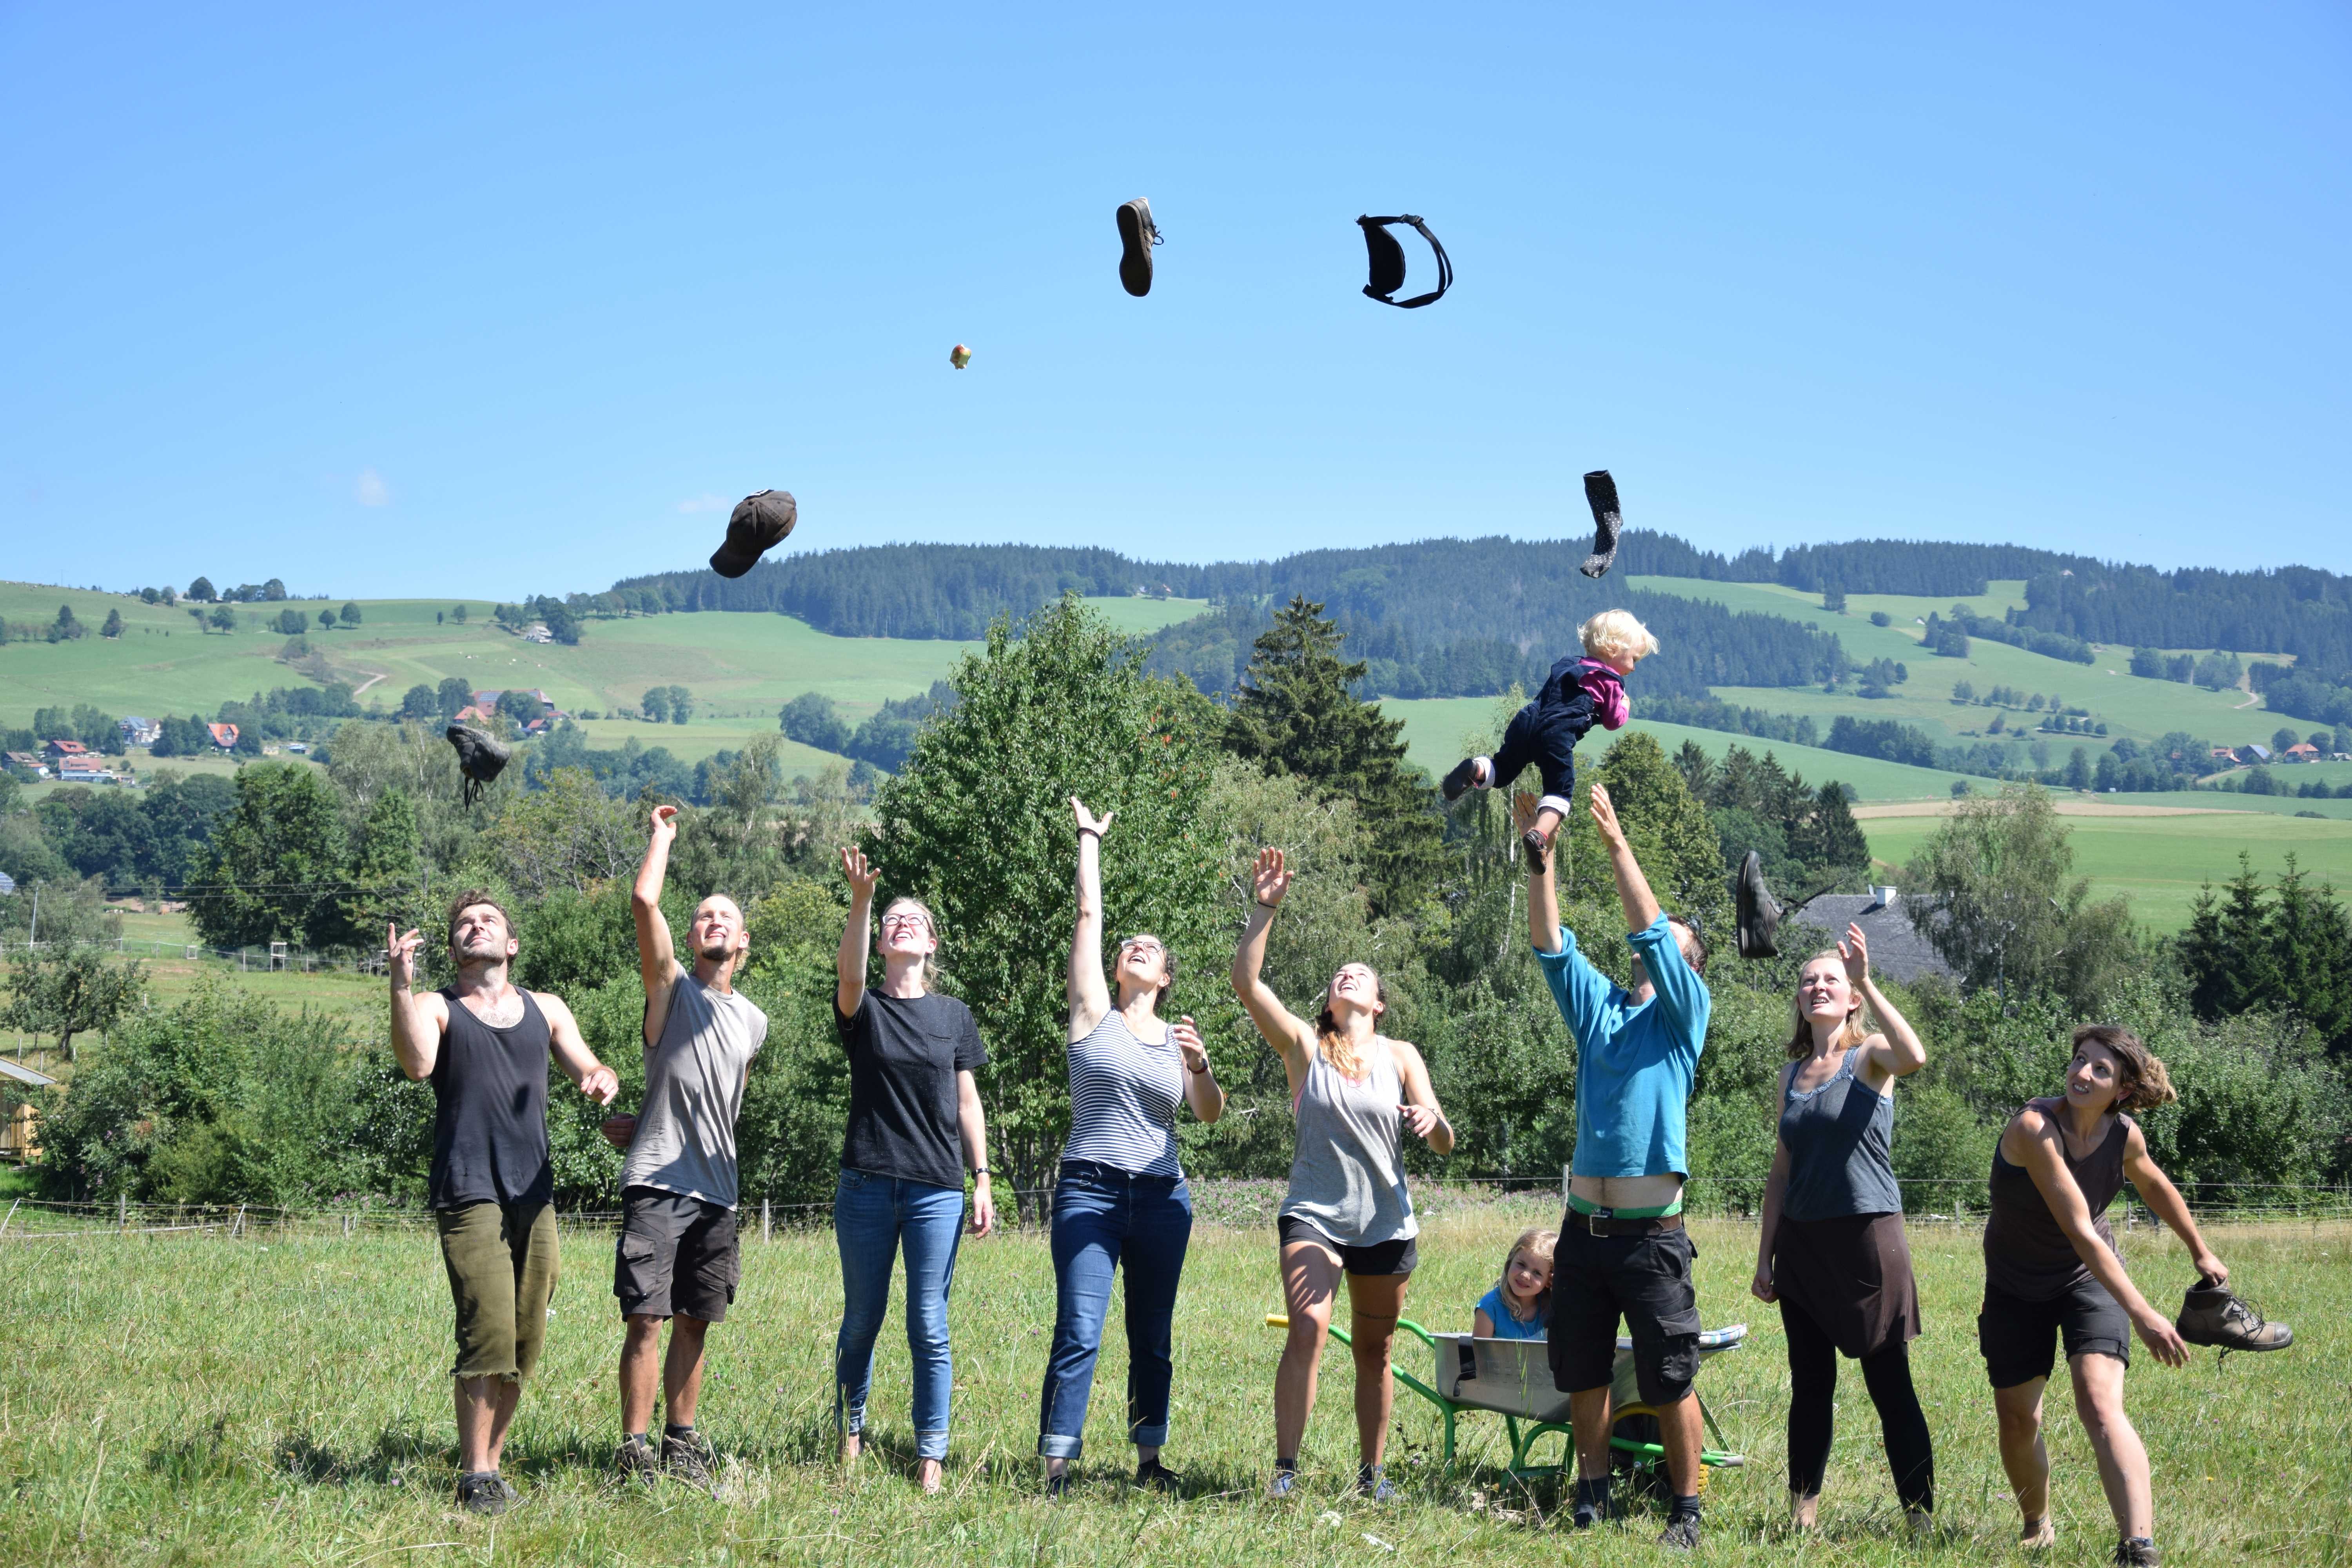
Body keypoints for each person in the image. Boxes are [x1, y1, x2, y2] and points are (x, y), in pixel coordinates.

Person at [1233, 846, 1455, 1501]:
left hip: (1387, 1221)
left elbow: (1444, 1139)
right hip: (1315, 1214)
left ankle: (1372, 1475)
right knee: (1307, 1329)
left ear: (1379, 1004)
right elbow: (1247, 984)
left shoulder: (1401, 1054)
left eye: (1362, 974)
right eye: (1341, 975)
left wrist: (1429, 1122)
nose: (1350, 976)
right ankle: (1285, 1473)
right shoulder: (1305, 1047)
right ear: (1332, 1001)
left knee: (1374, 1352)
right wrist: (1265, 907)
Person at [1523, 784, 1713, 1548]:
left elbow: (1652, 931)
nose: (1653, 944)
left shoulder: (1683, 1014)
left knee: (1671, 1374)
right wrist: (1540, 858)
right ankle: (1591, 1495)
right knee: (1584, 1369)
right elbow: (1549, 940)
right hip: (1583, 1231)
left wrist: (1616, 845)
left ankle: (1686, 1510)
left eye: (1672, 943)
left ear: (1686, 965)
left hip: (1650, 1235)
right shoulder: (1600, 1009)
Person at [387, 894, 619, 1516]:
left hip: (534, 1193)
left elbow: (590, 1066)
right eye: (465, 923)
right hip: (469, 1189)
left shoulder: (545, 1010)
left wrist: (602, 1079)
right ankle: (475, 1474)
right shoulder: (440, 1006)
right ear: (456, 948)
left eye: (489, 920)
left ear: (511, 945)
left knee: (525, 1337)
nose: (476, 926)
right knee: (486, 1329)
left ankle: (491, 1463)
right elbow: (416, 1064)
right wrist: (401, 988)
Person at [1982, 1024, 2239, 1567]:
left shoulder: (2124, 1135)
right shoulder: (2034, 1127)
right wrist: (2143, 1313)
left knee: (2101, 1405)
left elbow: (2153, 1185)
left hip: (2086, 1280)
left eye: (2100, 1069)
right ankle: (2037, 1523)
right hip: (2015, 1285)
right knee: (2018, 1418)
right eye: (2080, 1060)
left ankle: (2137, 1548)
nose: (2082, 1073)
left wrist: (2201, 1250)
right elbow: (2080, 1226)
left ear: (2121, 1090)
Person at [1038, 798, 1228, 1494]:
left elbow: (1207, 1115)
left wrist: (1201, 1066)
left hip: (1162, 1199)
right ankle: (1058, 1464)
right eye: (1129, 947)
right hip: (1089, 1188)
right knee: (1081, 1327)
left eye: (1150, 948)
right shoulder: (1094, 1013)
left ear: (1166, 975)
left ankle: (1149, 1461)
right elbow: (1089, 918)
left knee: (1152, 1336)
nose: (1135, 947)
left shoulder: (1179, 1039)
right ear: (1117, 970)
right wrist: (1090, 839)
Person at [599, 805, 769, 1486]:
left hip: (718, 1194)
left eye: (725, 916)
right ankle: (633, 1449)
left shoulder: (755, 1022)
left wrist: (648, 1114)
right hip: (658, 1187)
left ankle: (681, 1442)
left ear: (745, 941)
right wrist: (662, 838)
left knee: (696, 1322)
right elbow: (644, 901)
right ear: (691, 937)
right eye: (703, 916)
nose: (713, 922)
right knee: (646, 1318)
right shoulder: (670, 988)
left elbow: (725, 1100)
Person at [1749, 928, 1933, 1533]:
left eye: (1830, 979)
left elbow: (1916, 1055)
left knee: (1889, 1385)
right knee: (1809, 1386)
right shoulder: (1790, 1076)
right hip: (1802, 1247)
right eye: (1808, 980)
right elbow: (1782, 1169)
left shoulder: (1871, 1056)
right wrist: (1765, 1256)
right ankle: (1803, 1516)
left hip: (1866, 1241)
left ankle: (1919, 1519)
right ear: (1799, 1000)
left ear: (1850, 997)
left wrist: (1869, 979)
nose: (1817, 987)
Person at [833, 846, 996, 1493]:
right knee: (862, 1320)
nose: (902, 923)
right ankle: (851, 1431)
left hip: (937, 1189)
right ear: (881, 940)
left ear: (931, 942)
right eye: (890, 919)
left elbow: (966, 1101)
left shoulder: (953, 1015)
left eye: (913, 919)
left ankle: (932, 1453)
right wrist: (862, 901)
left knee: (927, 1321)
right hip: (867, 1184)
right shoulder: (865, 1008)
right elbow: (847, 979)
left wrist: (981, 1177)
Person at [1442, 608, 1656, 868]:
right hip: (1557, 734)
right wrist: (1626, 705)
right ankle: (1539, 836)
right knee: (1560, 790)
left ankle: (1475, 769)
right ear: (1613, 650)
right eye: (1634, 659)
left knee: (1503, 768)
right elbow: (1613, 721)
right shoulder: (1611, 682)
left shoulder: (1570, 664)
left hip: (1526, 721)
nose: (1634, 668)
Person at [1473, 1228, 1556, 1341]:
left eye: (1537, 1273)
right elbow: (1478, 1355)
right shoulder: (1490, 1308)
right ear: (1510, 1261)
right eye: (1521, 1265)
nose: (1525, 1275)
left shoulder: (1552, 1307)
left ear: (1549, 1280)